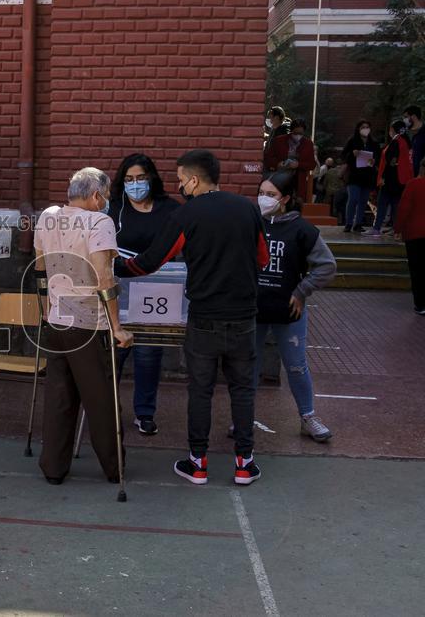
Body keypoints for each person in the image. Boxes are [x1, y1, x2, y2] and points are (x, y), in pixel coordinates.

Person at [117, 150, 270, 486]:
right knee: (243, 389)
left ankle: (197, 463)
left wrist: (114, 266)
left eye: (181, 178)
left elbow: (151, 261)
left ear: (194, 179)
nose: (179, 184)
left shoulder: (187, 215)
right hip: (244, 317)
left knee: (200, 390)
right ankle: (245, 463)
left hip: (203, 318)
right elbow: (262, 258)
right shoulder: (248, 209)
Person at [34, 167, 134, 486]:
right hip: (89, 322)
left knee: (59, 397)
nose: (106, 202)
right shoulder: (100, 221)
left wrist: (47, 308)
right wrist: (117, 326)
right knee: (101, 399)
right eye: (104, 196)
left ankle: (53, 467)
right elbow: (105, 277)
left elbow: (40, 268)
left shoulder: (48, 216)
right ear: (95, 196)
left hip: (56, 320)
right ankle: (114, 467)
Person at [255, 173, 337, 442]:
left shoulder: (303, 230)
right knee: (247, 365)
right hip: (253, 309)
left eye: (271, 195)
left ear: (286, 199)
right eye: (262, 192)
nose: (264, 199)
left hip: (289, 311)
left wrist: (302, 291)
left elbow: (327, 266)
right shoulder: (251, 222)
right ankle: (242, 418)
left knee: (296, 366)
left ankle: (308, 417)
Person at [107, 153, 180, 435]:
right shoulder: (114, 208)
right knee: (115, 351)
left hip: (156, 291)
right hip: (121, 290)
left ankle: (145, 413)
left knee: (149, 354)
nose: (135, 184)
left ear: (151, 178)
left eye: (140, 178)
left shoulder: (170, 209)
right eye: (128, 180)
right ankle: (107, 408)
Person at [367, 120, 414, 237]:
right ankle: (396, 229)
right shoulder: (406, 142)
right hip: (401, 179)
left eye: (391, 129)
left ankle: (377, 228)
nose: (389, 131)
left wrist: (383, 177)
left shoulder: (396, 142)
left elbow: (391, 161)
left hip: (391, 179)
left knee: (382, 203)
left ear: (394, 130)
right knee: (395, 205)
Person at [396, 158, 425, 315]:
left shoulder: (413, 185)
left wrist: (398, 228)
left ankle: (420, 304)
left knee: (416, 269)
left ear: (421, 168)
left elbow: (404, 208)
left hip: (414, 233)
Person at [341, 120, 381, 233]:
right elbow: (343, 155)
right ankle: (348, 223)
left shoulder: (374, 143)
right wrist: (352, 154)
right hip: (354, 175)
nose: (365, 129)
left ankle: (358, 223)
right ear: (358, 129)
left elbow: (378, 157)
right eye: (363, 127)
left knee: (363, 201)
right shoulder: (352, 141)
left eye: (367, 127)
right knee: (353, 199)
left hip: (368, 176)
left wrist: (375, 161)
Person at [264, 117, 317, 200]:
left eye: (300, 133)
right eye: (295, 133)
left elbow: (312, 164)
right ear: (291, 131)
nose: (298, 136)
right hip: (279, 173)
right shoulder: (279, 141)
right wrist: (277, 164)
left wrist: (298, 165)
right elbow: (268, 158)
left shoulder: (308, 144)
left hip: (298, 178)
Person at [263, 106, 292, 175]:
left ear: (276, 118)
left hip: (276, 170)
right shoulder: (275, 129)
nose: (268, 119)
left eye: (270, 117)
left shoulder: (283, 132)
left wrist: (274, 164)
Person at [404, 105, 424, 177]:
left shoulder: (423, 133)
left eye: (406, 117)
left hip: (419, 177)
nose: (404, 120)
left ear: (413, 117)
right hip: (405, 175)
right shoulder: (405, 133)